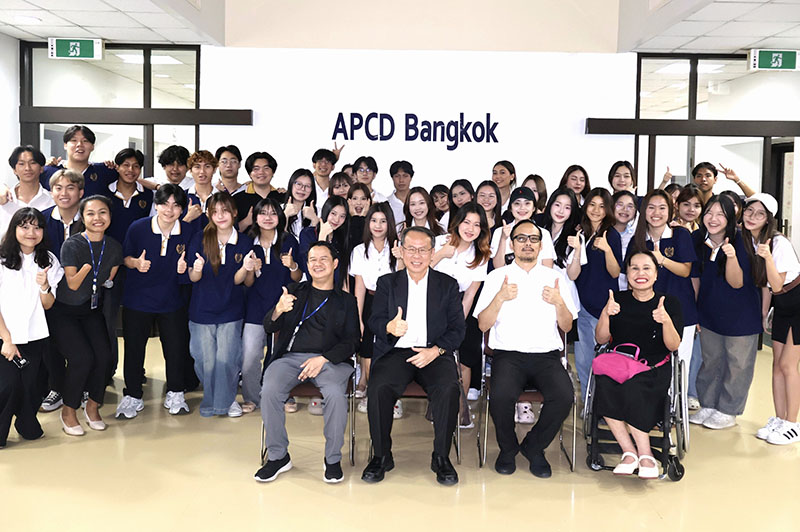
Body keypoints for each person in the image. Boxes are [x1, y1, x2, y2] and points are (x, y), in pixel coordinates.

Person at [361, 227, 465, 486]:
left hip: (434, 351)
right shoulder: (387, 283)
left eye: (422, 250)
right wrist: (388, 327)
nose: (416, 255)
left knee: (448, 388)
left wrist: (436, 351)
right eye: (410, 249)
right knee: (378, 387)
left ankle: (441, 456)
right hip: (396, 351)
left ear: (432, 253)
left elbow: (458, 329)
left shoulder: (447, 285)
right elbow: (373, 321)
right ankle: (382, 455)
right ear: (402, 251)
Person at [475, 220, 576, 478]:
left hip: (547, 356)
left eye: (533, 239)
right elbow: (483, 324)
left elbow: (566, 325)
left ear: (541, 245)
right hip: (509, 356)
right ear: (512, 244)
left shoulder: (555, 278)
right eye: (521, 238)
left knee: (564, 396)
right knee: (500, 396)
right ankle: (507, 450)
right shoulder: (496, 277)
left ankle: (534, 447)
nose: (527, 243)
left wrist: (558, 303)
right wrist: (499, 297)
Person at [254, 241, 360, 483]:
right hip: (291, 358)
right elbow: (270, 327)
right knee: (269, 389)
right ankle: (279, 456)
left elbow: (354, 341)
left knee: (334, 394)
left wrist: (324, 358)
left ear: (335, 264)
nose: (317, 264)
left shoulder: (346, 301)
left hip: (330, 361)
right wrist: (278, 310)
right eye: (313, 259)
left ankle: (332, 459)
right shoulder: (295, 291)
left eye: (324, 259)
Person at [594, 251, 683, 479]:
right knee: (605, 384)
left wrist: (665, 321)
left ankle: (644, 454)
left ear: (655, 274)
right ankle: (630, 453)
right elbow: (601, 339)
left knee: (633, 388)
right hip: (620, 366)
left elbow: (673, 345)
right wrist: (606, 313)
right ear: (627, 273)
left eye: (646, 268)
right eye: (634, 268)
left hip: (654, 369)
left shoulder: (669, 303)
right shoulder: (618, 300)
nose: (640, 273)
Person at [115, 184, 197, 419]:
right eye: (164, 204)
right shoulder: (139, 227)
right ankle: (132, 395)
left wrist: (185, 267)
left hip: (172, 300)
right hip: (138, 299)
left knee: (175, 349)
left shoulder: (189, 231)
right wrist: (135, 263)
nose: (169, 210)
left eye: (175, 205)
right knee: (134, 349)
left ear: (182, 209)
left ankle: (175, 392)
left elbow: (194, 264)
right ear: (156, 205)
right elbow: (125, 257)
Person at [51, 195, 123, 435]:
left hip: (91, 311)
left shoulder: (113, 246)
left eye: (103, 212)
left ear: (110, 217)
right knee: (82, 359)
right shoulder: (72, 244)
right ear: (82, 217)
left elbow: (109, 280)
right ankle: (68, 410)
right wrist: (87, 268)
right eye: (91, 213)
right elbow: (71, 284)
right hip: (65, 312)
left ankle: (92, 406)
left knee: (104, 357)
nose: (97, 218)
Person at [689, 195, 761, 430]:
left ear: (731, 217)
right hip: (709, 312)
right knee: (711, 361)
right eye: (709, 212)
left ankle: (728, 410)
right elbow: (695, 278)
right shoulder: (698, 239)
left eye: (720, 214)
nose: (713, 218)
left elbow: (737, 282)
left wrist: (729, 255)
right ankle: (708, 404)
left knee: (737, 364)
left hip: (740, 315)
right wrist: (696, 311)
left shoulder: (741, 240)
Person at [187, 192, 255, 417]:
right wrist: (196, 269)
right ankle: (214, 399)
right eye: (214, 212)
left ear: (234, 213)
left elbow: (241, 281)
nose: (220, 216)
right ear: (209, 215)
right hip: (202, 310)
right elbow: (193, 278)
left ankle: (225, 402)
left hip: (231, 309)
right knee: (204, 360)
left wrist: (246, 267)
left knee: (227, 358)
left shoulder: (244, 241)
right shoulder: (199, 239)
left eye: (225, 211)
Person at [0, 208, 63, 448]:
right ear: (14, 228)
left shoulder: (48, 259)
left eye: (36, 227)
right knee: (6, 386)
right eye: (24, 226)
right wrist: (6, 339)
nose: (31, 232)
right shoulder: (2, 258)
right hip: (4, 335)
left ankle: (27, 425)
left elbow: (48, 305)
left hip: (34, 335)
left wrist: (45, 286)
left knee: (30, 387)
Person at [741, 193, 800, 444]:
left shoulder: (778, 243)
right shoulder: (752, 240)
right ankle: (779, 419)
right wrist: (764, 313)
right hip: (783, 305)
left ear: (768, 220)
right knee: (776, 364)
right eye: (749, 211)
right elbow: (765, 287)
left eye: (760, 214)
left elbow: (776, 284)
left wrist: (766, 257)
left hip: (797, 303)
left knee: (788, 366)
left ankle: (793, 423)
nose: (752, 217)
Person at [628, 190, 697, 391]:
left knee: (680, 361)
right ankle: (653, 408)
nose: (656, 212)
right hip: (647, 311)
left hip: (681, 310)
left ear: (670, 211)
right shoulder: (638, 240)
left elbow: (686, 271)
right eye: (651, 207)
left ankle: (675, 408)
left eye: (662, 207)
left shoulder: (680, 234)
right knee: (651, 361)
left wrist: (661, 259)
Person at [431, 203, 491, 429]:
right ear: (457, 222)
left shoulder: (482, 255)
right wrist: (440, 254)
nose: (470, 228)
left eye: (477, 225)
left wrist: (457, 324)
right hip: (432, 306)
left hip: (461, 310)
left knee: (464, 359)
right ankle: (438, 406)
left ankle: (459, 408)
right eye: (467, 222)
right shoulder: (439, 242)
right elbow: (418, 271)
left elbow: (470, 294)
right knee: (439, 361)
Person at [241, 198, 301, 413]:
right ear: (255, 217)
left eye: (273, 213)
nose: (267, 218)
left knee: (280, 356)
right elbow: (247, 283)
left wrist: (292, 265)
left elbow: (297, 277)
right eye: (263, 213)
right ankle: (252, 397)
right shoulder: (247, 241)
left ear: (280, 217)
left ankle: (283, 395)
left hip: (282, 307)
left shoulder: (289, 241)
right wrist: (250, 269)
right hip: (255, 308)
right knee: (249, 358)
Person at [105, 148, 153, 380]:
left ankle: (137, 370)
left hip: (138, 266)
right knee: (107, 319)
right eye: (125, 165)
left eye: (135, 166)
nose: (130, 170)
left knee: (137, 324)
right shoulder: (105, 193)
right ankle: (107, 370)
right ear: (117, 167)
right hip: (109, 266)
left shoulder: (149, 196)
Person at [349, 203, 402, 415]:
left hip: (392, 302)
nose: (378, 226)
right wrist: (358, 317)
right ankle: (372, 390)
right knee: (368, 349)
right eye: (373, 220)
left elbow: (402, 281)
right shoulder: (360, 250)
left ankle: (393, 397)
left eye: (382, 221)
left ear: (389, 223)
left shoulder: (398, 247)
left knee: (392, 349)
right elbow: (359, 287)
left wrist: (400, 260)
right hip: (370, 301)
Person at [39, 170, 85, 411]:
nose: (64, 193)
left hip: (83, 294)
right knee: (52, 344)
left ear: (80, 192)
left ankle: (84, 387)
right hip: (51, 293)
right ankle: (56, 387)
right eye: (58, 188)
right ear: (51, 191)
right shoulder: (42, 219)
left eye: (70, 188)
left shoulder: (89, 217)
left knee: (83, 344)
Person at [574, 188, 623, 400]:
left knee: (603, 358)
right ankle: (588, 401)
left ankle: (604, 404)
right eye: (592, 204)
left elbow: (615, 272)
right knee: (583, 358)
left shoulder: (612, 235)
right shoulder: (579, 232)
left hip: (602, 307)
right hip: (580, 305)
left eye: (602, 206)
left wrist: (607, 249)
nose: (596, 210)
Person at [39, 126, 118, 197]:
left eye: (85, 141)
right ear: (65, 145)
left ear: (92, 146)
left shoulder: (104, 171)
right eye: (74, 140)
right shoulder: (49, 171)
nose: (79, 144)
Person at [491, 187, 555, 270]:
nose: (522, 208)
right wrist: (503, 239)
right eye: (517, 203)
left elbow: (547, 268)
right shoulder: (499, 232)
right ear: (510, 208)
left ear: (534, 208)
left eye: (527, 203)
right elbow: (498, 267)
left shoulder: (544, 233)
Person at [0, 146, 54, 240]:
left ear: (41, 168)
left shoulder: (52, 201)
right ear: (14, 170)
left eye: (33, 163)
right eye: (21, 164)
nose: (27, 168)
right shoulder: (3, 201)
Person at [298, 196, 350, 289]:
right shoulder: (307, 234)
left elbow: (343, 275)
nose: (337, 219)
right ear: (326, 211)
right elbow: (313, 271)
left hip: (337, 295)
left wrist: (347, 298)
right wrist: (322, 237)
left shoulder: (341, 238)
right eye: (333, 213)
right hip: (316, 293)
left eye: (342, 216)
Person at [235, 151, 283, 232]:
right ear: (250, 174)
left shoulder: (283, 197)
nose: (261, 172)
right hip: (248, 244)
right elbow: (229, 232)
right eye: (256, 169)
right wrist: (246, 222)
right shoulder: (237, 199)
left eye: (266, 168)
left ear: (273, 172)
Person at [184, 150, 218, 231]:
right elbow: (172, 229)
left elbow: (232, 230)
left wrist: (216, 220)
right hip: (188, 243)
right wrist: (188, 218)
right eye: (197, 167)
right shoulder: (181, 197)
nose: (202, 171)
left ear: (214, 170)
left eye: (207, 166)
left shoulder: (224, 198)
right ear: (190, 171)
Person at [611, 190, 638, 291]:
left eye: (630, 206)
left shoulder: (636, 236)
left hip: (627, 291)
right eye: (619, 205)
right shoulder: (600, 234)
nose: (624, 209)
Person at [282, 169, 318, 239]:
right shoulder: (278, 209)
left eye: (307, 186)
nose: (302, 189)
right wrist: (285, 216)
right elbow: (277, 239)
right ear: (291, 184)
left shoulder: (318, 211)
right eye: (298, 184)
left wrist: (314, 220)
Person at [387, 160, 413, 226]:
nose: (401, 180)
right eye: (397, 176)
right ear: (392, 178)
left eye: (405, 176)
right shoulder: (387, 203)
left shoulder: (421, 201)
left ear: (411, 178)